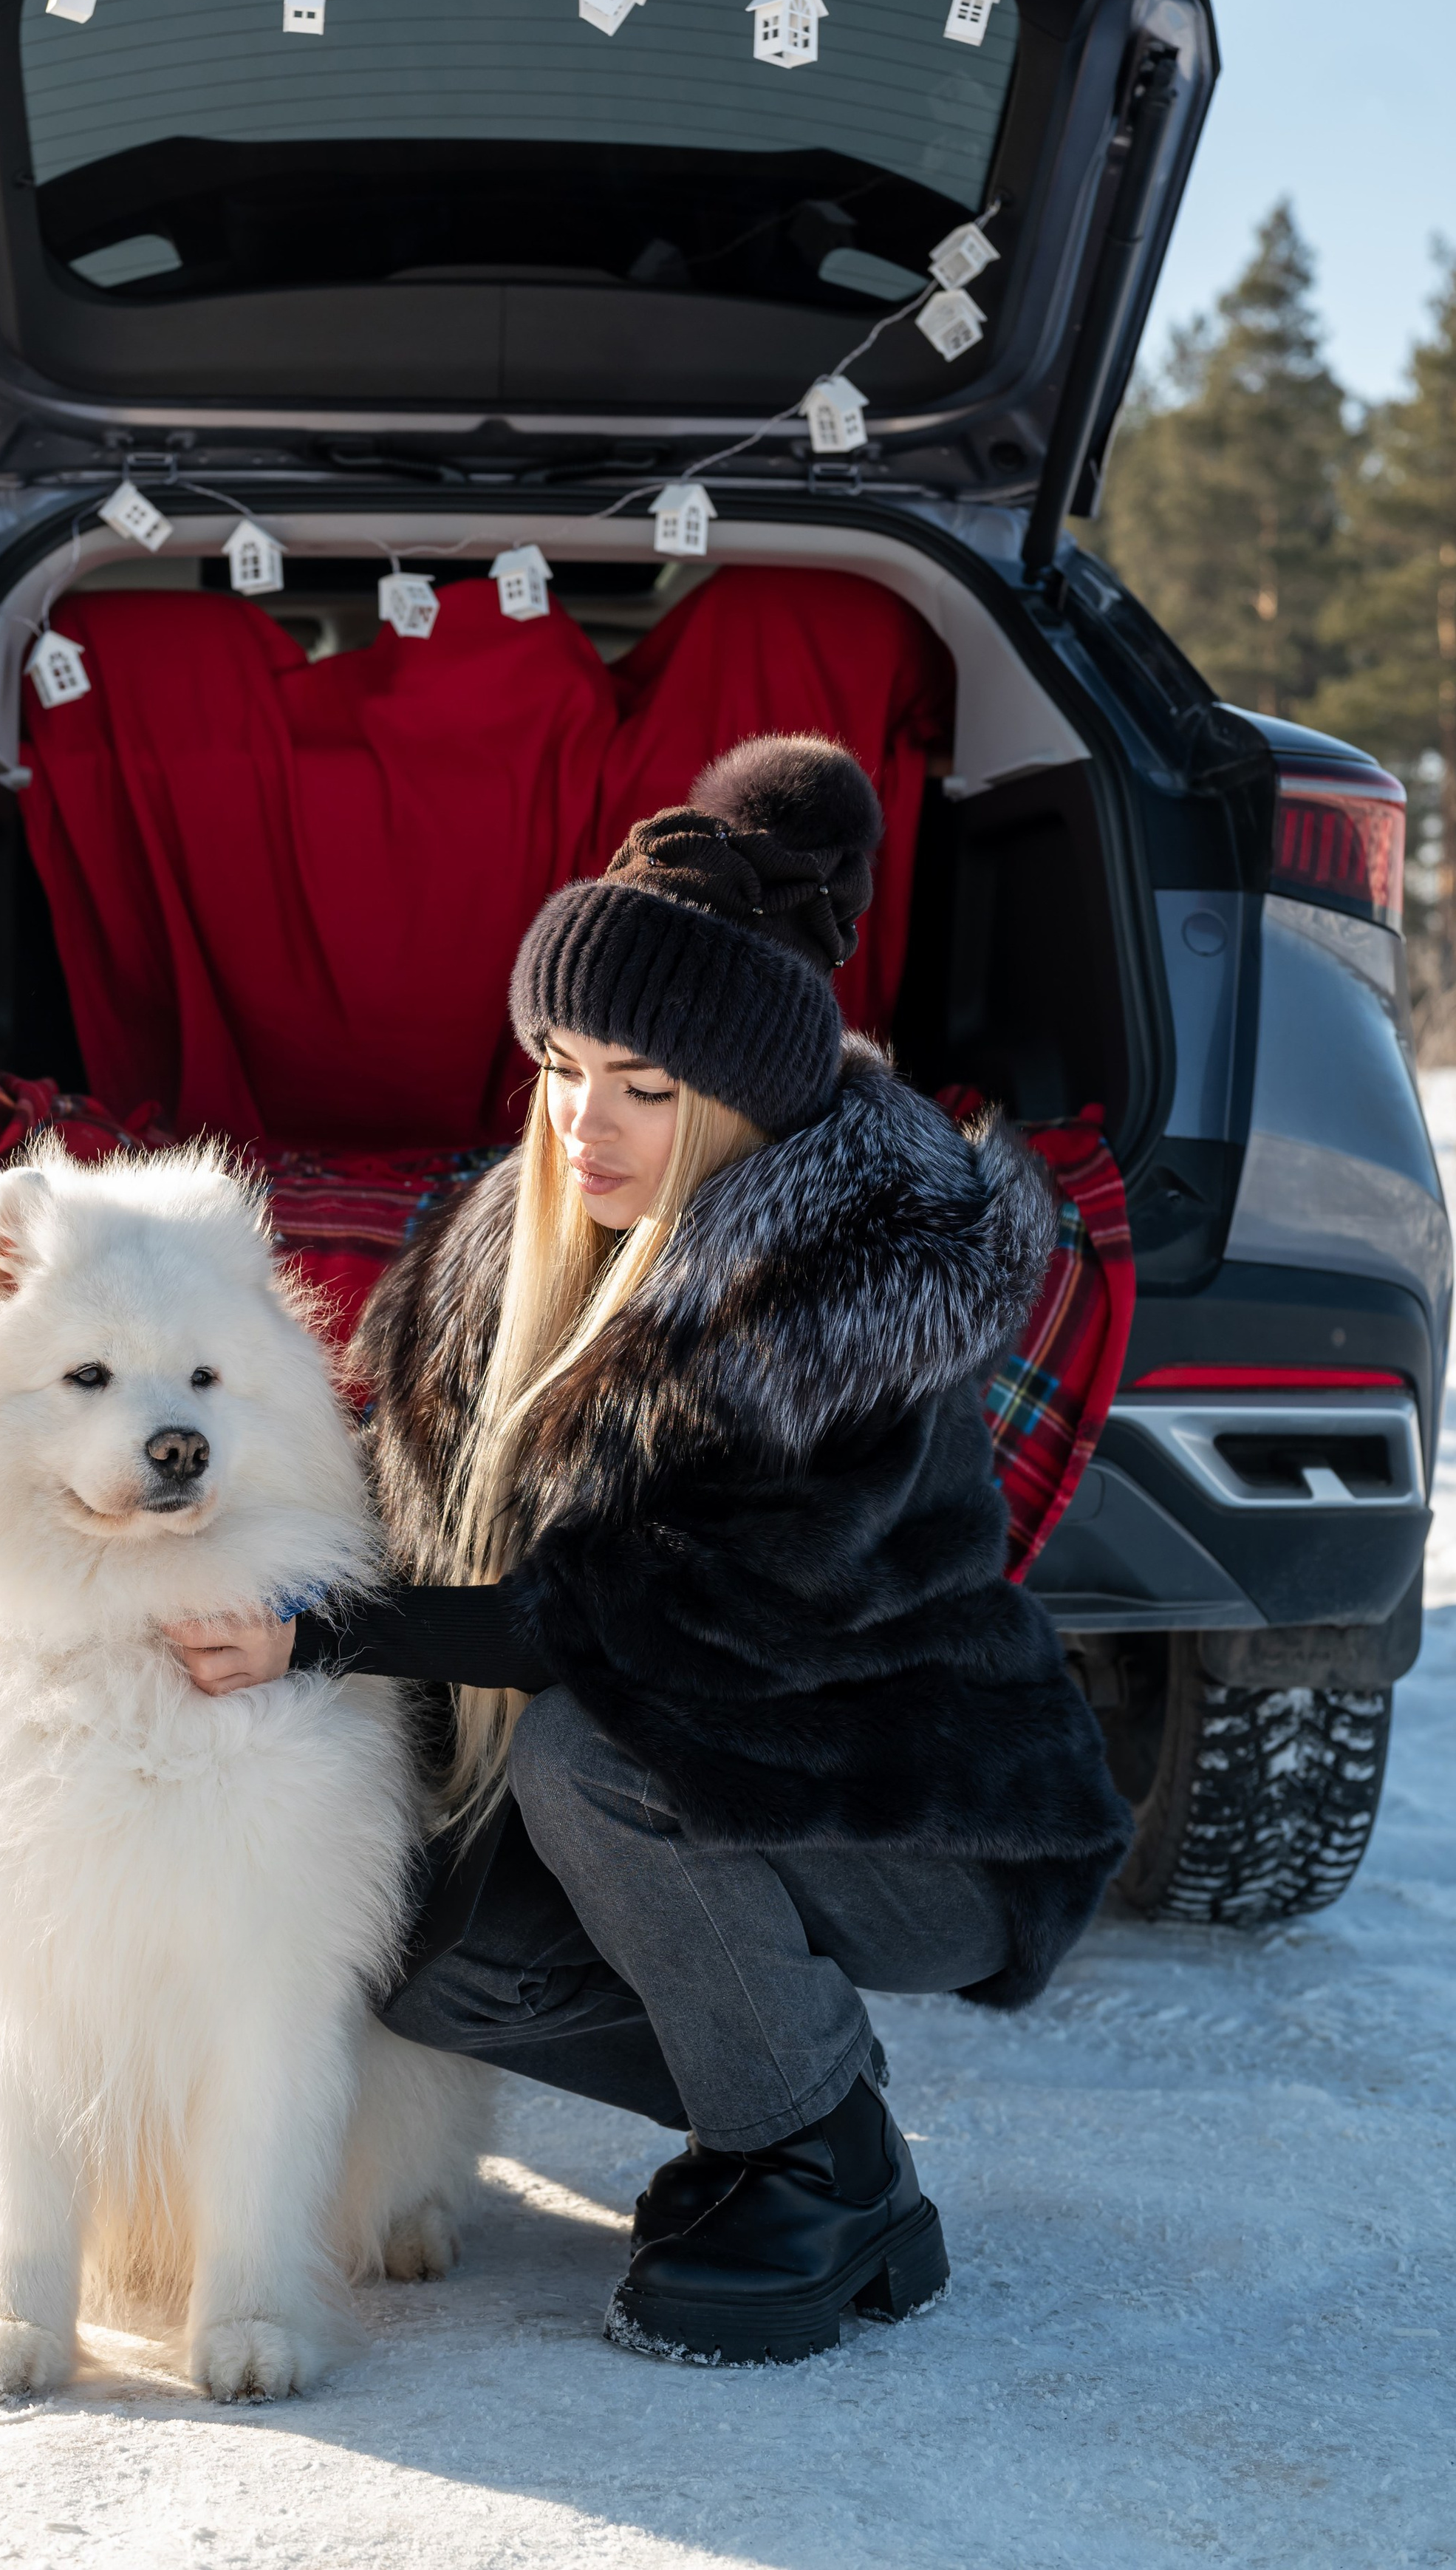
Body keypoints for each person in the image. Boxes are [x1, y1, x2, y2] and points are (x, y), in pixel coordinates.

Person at [168, 733, 1132, 2367]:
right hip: (731, 1783)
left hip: (920, 1816)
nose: (579, 1124)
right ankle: (799, 2097)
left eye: (643, 1088)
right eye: (559, 1064)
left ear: (742, 1102)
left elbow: (645, 1634)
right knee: (418, 1947)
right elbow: (409, 1533)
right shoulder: (508, 1263)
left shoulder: (845, 1306)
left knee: (583, 1758)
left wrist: (323, 1634)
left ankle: (813, 2162)